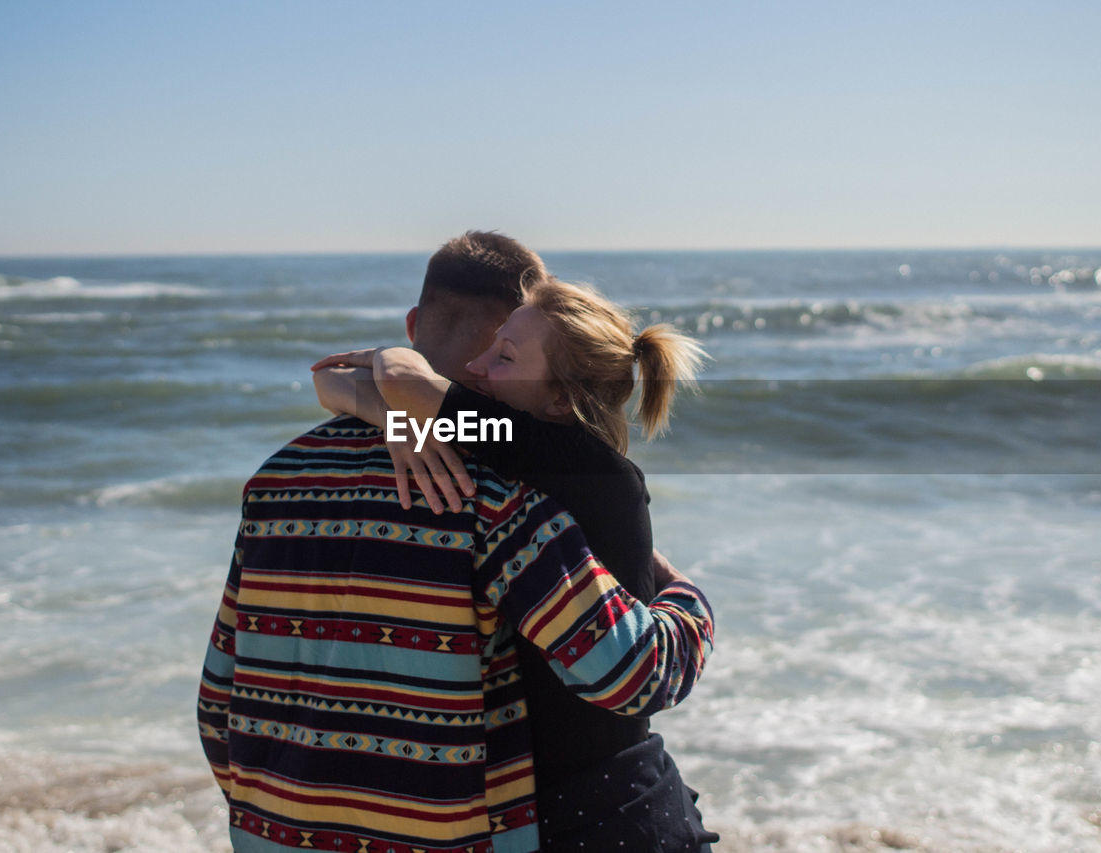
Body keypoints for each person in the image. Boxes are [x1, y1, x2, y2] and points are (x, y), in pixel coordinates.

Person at [197, 232, 715, 853]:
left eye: (506, 355)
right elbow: (628, 678)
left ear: (415, 324)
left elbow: (218, 701)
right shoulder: (496, 499)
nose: (481, 367)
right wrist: (688, 595)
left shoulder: (276, 479)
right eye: (493, 349)